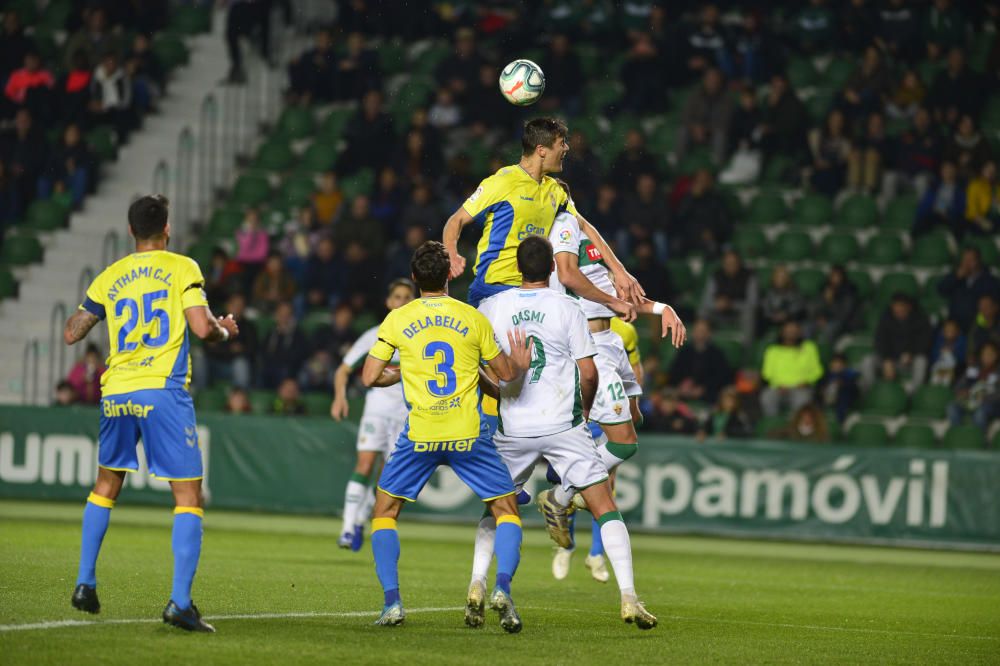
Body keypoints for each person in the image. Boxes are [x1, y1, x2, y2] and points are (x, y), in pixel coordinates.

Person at [62, 194, 238, 632]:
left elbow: (71, 333)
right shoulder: (183, 267)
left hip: (116, 392)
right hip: (162, 390)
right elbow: (201, 328)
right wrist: (223, 329)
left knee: (105, 484)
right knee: (188, 497)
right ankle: (179, 603)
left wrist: (97, 311)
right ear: (167, 229)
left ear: (130, 231)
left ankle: (85, 582)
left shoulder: (110, 276)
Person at [360, 241, 531, 630]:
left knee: (384, 512)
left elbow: (370, 376)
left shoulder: (398, 319)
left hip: (420, 434)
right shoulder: (472, 318)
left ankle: (392, 604)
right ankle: (501, 587)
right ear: (449, 277)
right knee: (507, 512)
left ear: (416, 277)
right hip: (467, 434)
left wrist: (405, 371)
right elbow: (505, 375)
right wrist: (518, 364)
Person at [442, 117, 642, 310]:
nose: (567, 148)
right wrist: (451, 251)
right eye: (561, 143)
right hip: (494, 290)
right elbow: (456, 219)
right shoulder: (502, 182)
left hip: (533, 291)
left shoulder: (555, 189)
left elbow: (585, 226)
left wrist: (619, 271)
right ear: (541, 150)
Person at [330, 279, 415, 551]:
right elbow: (343, 370)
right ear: (389, 302)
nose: (401, 302)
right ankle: (346, 527)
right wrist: (339, 398)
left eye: (406, 297)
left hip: (405, 414)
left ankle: (362, 517)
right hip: (377, 411)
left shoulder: (418, 335)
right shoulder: (374, 335)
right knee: (364, 465)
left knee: (386, 476)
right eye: (397, 297)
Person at [867, 292, 933, 390]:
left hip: (910, 361)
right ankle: (872, 392)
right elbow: (880, 341)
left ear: (909, 307)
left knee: (921, 361)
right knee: (868, 361)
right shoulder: (886, 318)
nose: (898, 309)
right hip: (891, 360)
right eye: (895, 306)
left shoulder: (921, 319)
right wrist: (887, 360)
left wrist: (911, 353)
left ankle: (915, 395)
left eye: (901, 306)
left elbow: (924, 342)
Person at [760, 320, 823, 417]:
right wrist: (778, 385)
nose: (791, 332)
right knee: (767, 397)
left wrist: (806, 382)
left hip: (801, 387)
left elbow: (817, 371)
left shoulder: (809, 347)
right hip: (779, 388)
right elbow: (767, 373)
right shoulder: (772, 350)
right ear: (782, 332)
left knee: (802, 399)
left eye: (794, 330)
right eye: (788, 330)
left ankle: (794, 427)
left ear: (800, 332)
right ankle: (773, 424)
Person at [668, 318, 732, 404]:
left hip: (708, 394)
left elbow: (722, 377)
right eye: (697, 330)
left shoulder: (717, 354)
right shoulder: (685, 351)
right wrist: (682, 385)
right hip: (683, 392)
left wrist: (703, 389)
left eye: (702, 331)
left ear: (709, 333)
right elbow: (674, 371)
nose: (699, 334)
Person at [938, 246, 1000, 330]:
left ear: (978, 261)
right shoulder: (956, 277)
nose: (966, 264)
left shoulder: (989, 280)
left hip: (979, 322)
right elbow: (941, 290)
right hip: (956, 323)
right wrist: (956, 277)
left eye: (970, 260)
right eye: (964, 260)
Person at [948, 340, 1000, 432]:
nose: (987, 357)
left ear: (996, 356)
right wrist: (962, 392)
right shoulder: (974, 369)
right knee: (952, 407)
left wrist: (984, 397)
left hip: (991, 404)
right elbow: (959, 386)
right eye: (985, 354)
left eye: (990, 354)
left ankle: (979, 441)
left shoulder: (998, 371)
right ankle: (958, 436)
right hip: (970, 401)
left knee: (980, 413)